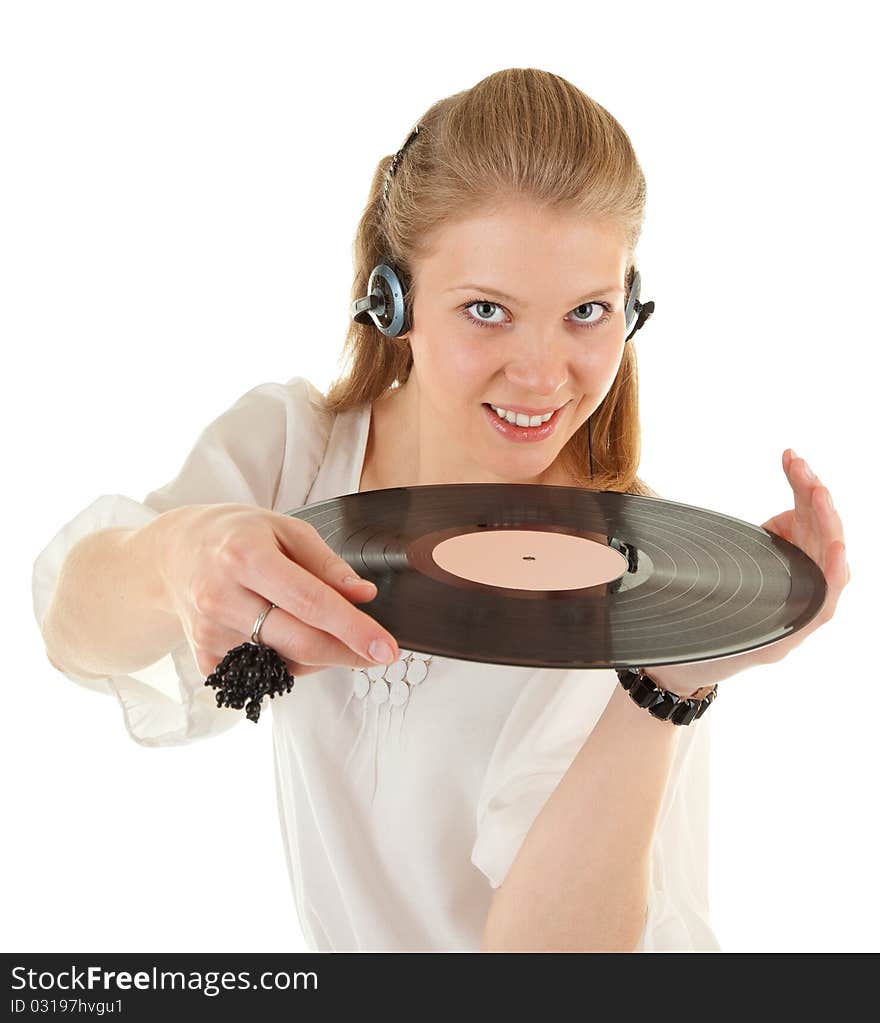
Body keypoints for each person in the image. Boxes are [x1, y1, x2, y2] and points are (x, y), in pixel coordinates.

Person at [31, 68, 848, 952]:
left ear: (631, 308)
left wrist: (668, 681)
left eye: (587, 311)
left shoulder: (633, 581)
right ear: (393, 301)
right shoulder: (295, 451)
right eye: (488, 310)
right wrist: (178, 556)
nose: (542, 374)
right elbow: (72, 627)